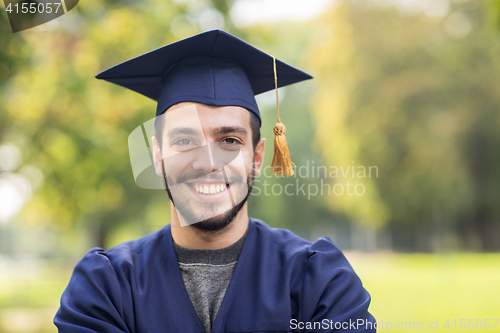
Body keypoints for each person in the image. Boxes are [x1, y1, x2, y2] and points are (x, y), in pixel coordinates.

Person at [54, 30, 376, 333]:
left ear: (258, 156)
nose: (208, 162)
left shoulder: (319, 281)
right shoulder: (106, 286)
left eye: (230, 141)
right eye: (184, 141)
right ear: (157, 154)